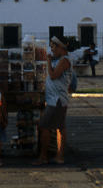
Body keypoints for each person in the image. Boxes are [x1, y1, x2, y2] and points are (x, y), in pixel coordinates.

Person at [34, 35, 73, 165]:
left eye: (53, 47)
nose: (52, 50)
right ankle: (59, 156)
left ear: (59, 46)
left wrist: (48, 62)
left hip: (57, 100)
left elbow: (53, 76)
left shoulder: (64, 60)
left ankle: (44, 157)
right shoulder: (61, 59)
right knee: (59, 127)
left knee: (44, 126)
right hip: (55, 98)